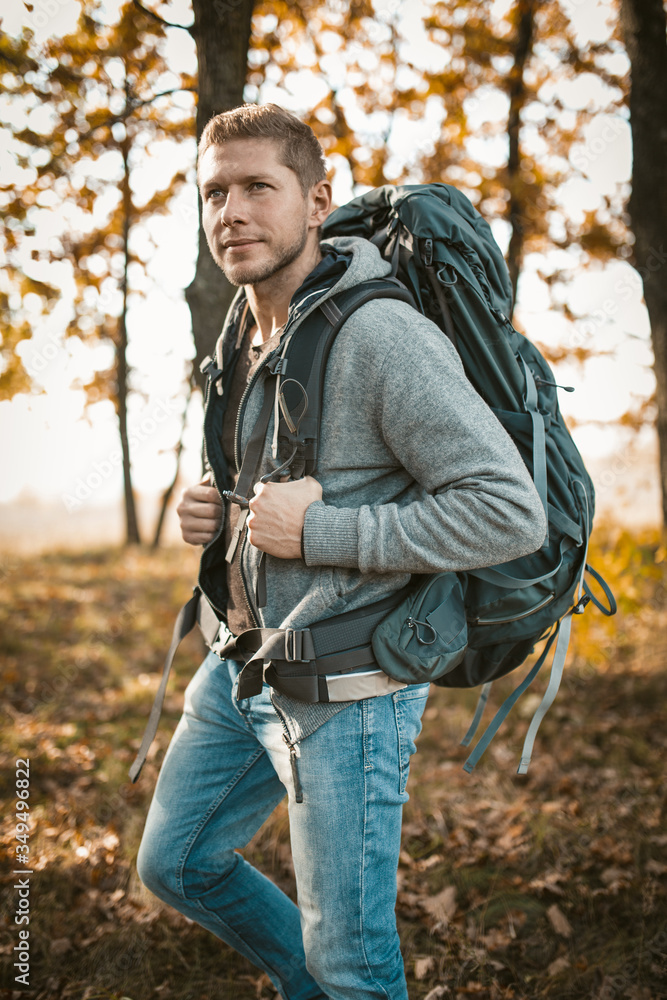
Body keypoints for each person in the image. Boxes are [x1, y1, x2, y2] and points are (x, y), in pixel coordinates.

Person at [136, 103, 546, 1000]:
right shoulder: (241, 332)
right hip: (241, 665)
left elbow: (509, 511)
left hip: (347, 696)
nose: (230, 213)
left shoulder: (381, 335)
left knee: (354, 968)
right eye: (213, 193)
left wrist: (320, 533)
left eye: (256, 188)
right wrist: (210, 509)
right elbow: (276, 476)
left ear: (316, 199)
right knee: (177, 864)